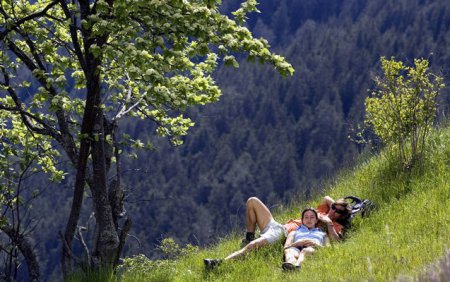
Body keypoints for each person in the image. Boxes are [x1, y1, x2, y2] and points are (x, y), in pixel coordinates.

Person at [204, 195, 351, 270]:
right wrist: (330, 207)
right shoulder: (324, 210)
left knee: (254, 246)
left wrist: (328, 223)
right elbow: (326, 198)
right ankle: (249, 236)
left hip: (284, 233)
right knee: (252, 201)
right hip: (279, 226)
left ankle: (221, 263)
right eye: (333, 207)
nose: (333, 210)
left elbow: (337, 242)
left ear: (341, 215)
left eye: (337, 210)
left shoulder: (334, 224)